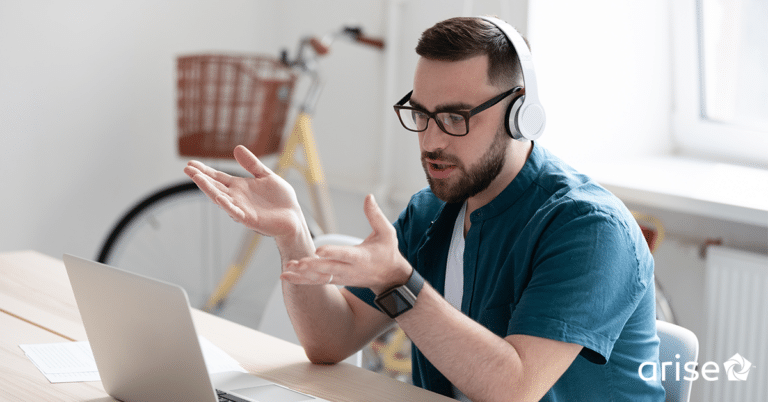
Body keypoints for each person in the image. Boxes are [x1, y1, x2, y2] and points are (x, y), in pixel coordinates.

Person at [184, 16, 665, 402]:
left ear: (521, 113)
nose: (431, 141)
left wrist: (399, 282)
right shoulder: (433, 210)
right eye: (421, 114)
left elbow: (514, 389)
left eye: (455, 117)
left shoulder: (589, 229)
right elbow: (332, 340)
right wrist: (292, 236)